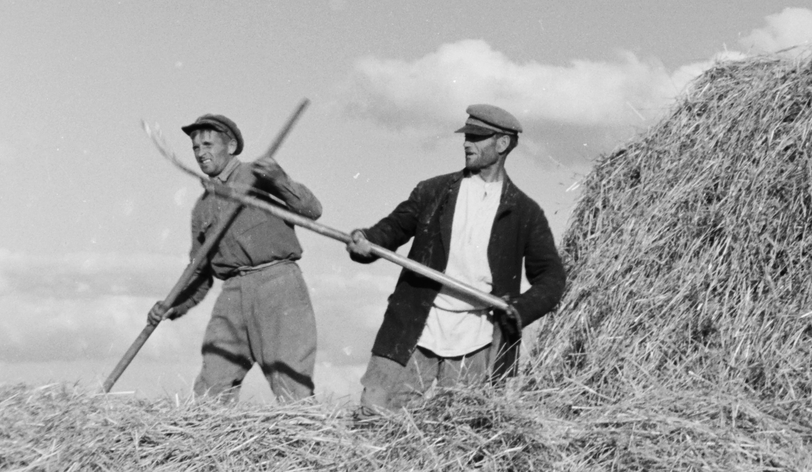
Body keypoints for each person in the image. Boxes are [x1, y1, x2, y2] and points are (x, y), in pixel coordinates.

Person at [347, 104, 565, 411]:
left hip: (476, 340)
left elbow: (552, 278)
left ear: (501, 144)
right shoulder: (433, 191)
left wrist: (520, 310)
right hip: (415, 326)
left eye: (477, 137)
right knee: (376, 413)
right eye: (466, 136)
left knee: (458, 434)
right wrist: (368, 240)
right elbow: (394, 228)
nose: (466, 143)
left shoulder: (525, 212)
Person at [150, 113, 322, 402]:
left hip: (278, 285)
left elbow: (312, 210)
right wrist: (173, 305)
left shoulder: (257, 174)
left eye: (207, 144)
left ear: (230, 147)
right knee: (209, 391)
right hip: (232, 294)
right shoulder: (202, 208)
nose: (201, 153)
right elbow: (199, 272)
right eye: (195, 148)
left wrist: (281, 180)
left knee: (293, 391)